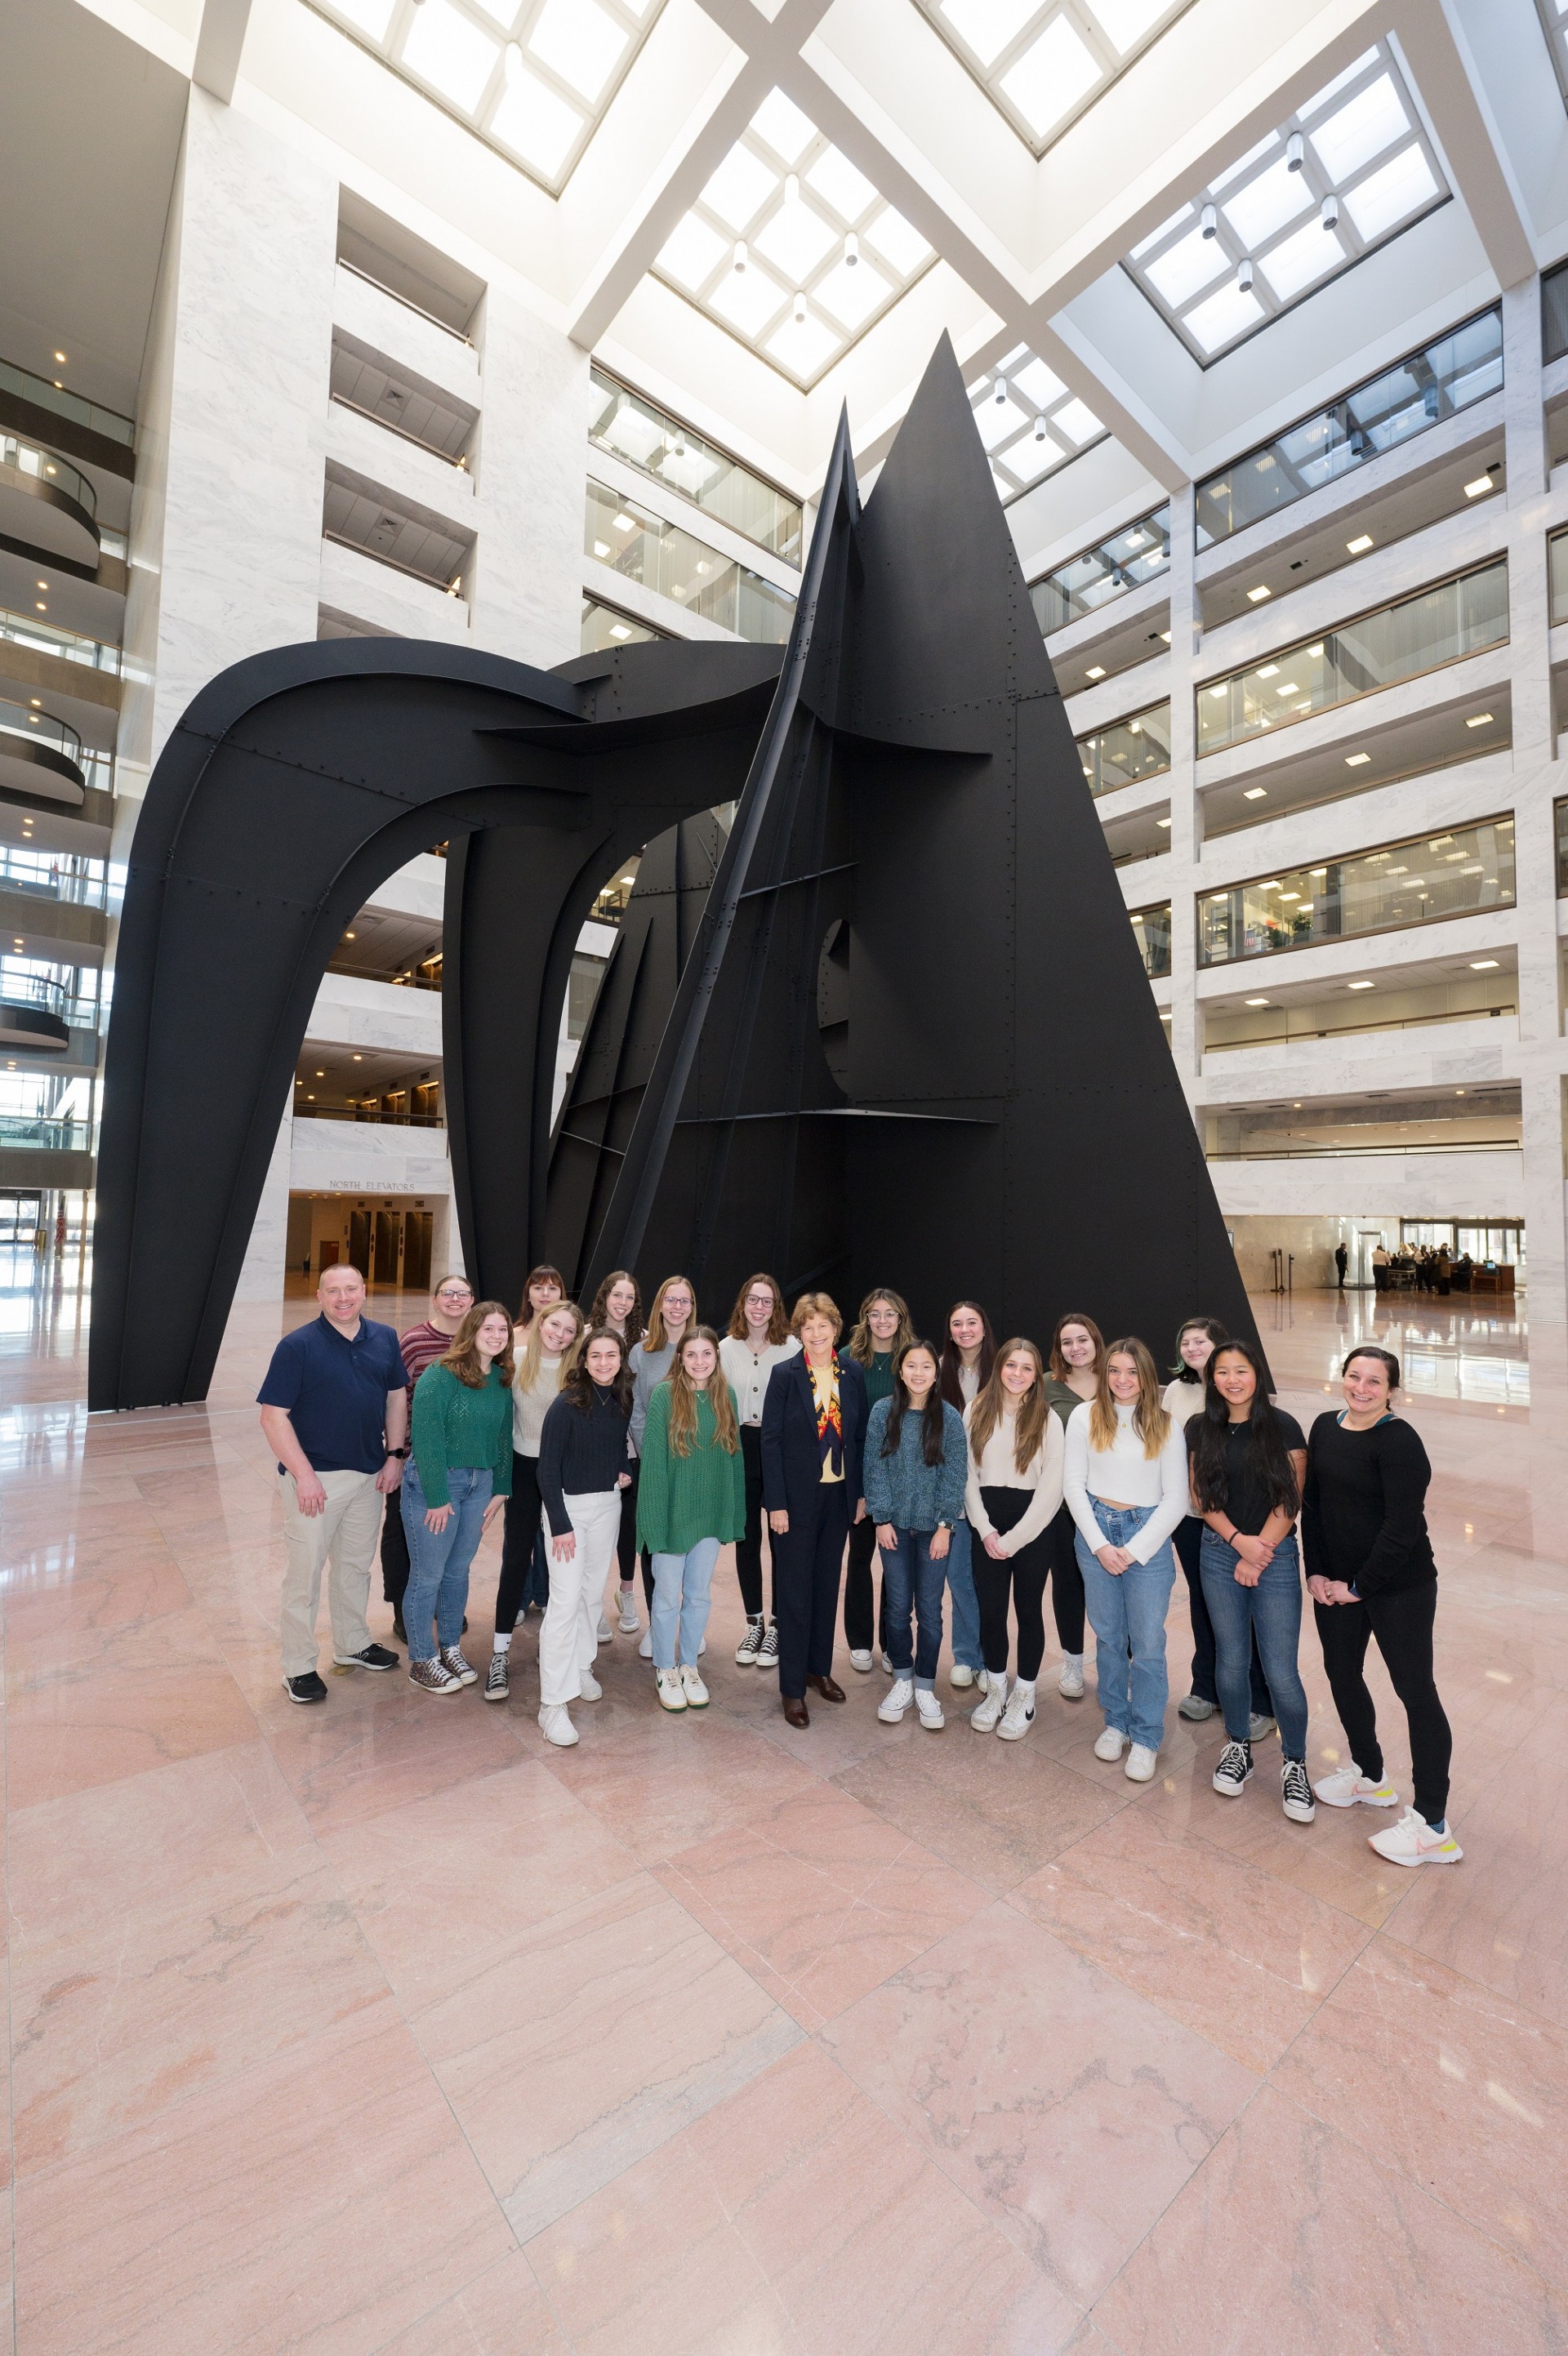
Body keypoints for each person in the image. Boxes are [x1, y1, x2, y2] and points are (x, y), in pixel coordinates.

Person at [1304, 1347, 1461, 1865]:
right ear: (1342, 1378)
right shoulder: (1325, 1427)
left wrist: (1360, 1585)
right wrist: (1318, 1571)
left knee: (1416, 1692)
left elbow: (1402, 1529)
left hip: (1399, 1586)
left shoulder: (1400, 1442)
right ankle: (1370, 1776)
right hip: (1339, 1584)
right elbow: (1315, 1506)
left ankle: (1433, 1826)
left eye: (1375, 1381)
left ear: (1393, 1390)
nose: (1362, 1388)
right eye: (1354, 1376)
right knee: (1342, 1674)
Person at [259, 1263, 406, 1704]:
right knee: (304, 1577)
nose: (344, 1298)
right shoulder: (297, 1346)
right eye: (334, 1291)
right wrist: (304, 1476)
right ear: (320, 1296)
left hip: (369, 1476)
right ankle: (299, 1667)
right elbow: (273, 1416)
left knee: (354, 1567)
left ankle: (353, 1643)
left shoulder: (383, 1337)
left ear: (365, 1291)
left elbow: (396, 1395)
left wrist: (394, 1455)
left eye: (352, 1289)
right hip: (317, 1480)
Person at [1187, 1341, 1314, 1824]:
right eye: (1223, 1372)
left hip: (1275, 1556)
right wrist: (1239, 1543)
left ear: (1257, 1374)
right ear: (1212, 1378)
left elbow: (1290, 1499)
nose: (1232, 1380)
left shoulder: (1282, 1426)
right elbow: (1204, 1498)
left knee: (1281, 1670)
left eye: (1241, 1371)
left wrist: (1258, 1554)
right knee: (1231, 1659)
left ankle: (1295, 1763)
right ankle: (1237, 1745)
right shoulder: (1201, 1428)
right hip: (1220, 1553)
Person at [1064, 1338, 1187, 1781]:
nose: (1122, 1379)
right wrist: (1100, 1545)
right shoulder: (1084, 1416)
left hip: (1146, 1541)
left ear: (1146, 1376)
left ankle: (1148, 1734)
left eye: (1132, 1371)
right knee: (1110, 1637)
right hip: (1095, 1533)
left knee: (1148, 1645)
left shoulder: (1167, 1425)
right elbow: (1073, 1486)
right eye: (1114, 1370)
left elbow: (1175, 1500)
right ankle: (1116, 1720)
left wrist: (1133, 1552)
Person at [1165, 1319, 1276, 1739]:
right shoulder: (1177, 1392)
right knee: (1205, 1604)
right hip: (1191, 1518)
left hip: (1239, 1522)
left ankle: (1259, 1698)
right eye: (1186, 1341)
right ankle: (1207, 1687)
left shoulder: (1239, 1393)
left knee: (1248, 1610)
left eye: (1201, 1341)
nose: (1193, 1347)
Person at [761, 1292, 867, 1728]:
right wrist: (777, 1503)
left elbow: (857, 1439)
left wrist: (859, 1495)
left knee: (827, 1585)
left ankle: (817, 1668)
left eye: (824, 1325)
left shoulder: (853, 1373)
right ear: (798, 1332)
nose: (817, 1333)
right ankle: (791, 1689)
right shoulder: (785, 1375)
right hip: (797, 1502)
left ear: (835, 1329)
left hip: (838, 1497)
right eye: (808, 1327)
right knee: (794, 1591)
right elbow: (770, 1441)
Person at [402, 1302, 514, 1693]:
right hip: (437, 1484)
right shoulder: (441, 1375)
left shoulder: (501, 1377)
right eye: (489, 1328)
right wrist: (436, 1496)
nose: (497, 1335)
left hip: (479, 1485)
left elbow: (503, 1437)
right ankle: (421, 1659)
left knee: (457, 1571)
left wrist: (502, 1488)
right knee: (428, 1574)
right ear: (471, 1330)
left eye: (503, 1330)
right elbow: (426, 1438)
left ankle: (449, 1647)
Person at [636, 1324, 746, 1712]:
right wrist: (652, 1520)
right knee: (666, 1596)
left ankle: (689, 1665)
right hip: (671, 1516)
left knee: (698, 1595)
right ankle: (665, 1668)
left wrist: (732, 1515)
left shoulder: (726, 1395)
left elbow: (733, 1458)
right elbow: (653, 1465)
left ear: (717, 1359)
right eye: (692, 1354)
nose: (700, 1362)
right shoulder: (665, 1395)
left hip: (710, 1517)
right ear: (679, 1358)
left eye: (707, 1354)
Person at [964, 1338, 1066, 1741]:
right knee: (990, 1612)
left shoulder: (1047, 1418)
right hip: (986, 1524)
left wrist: (1017, 1538)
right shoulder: (976, 1410)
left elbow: (1052, 1488)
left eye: (1027, 1367)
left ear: (1035, 1374)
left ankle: (1024, 1692)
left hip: (1033, 1528)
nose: (1018, 1374)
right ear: (999, 1368)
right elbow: (967, 1476)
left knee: (1027, 1610)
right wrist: (986, 1530)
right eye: (1011, 1366)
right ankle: (995, 1688)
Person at [537, 1327, 634, 1748]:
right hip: (569, 1511)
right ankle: (552, 1705)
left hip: (607, 1505)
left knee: (592, 1595)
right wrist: (559, 1523)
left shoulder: (619, 1399)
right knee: (563, 1601)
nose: (603, 1363)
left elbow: (612, 1442)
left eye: (611, 1355)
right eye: (595, 1356)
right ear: (584, 1360)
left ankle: (581, 1666)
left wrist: (620, 1467)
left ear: (620, 1360)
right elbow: (547, 1468)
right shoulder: (565, 1404)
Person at [863, 1338, 966, 1730]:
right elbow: (873, 1467)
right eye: (911, 1366)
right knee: (896, 1607)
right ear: (900, 1371)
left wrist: (944, 1525)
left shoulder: (950, 1418)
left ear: (935, 1373)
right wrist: (882, 1518)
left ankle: (925, 1685)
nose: (918, 1373)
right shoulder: (882, 1412)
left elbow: (955, 1475)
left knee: (930, 1611)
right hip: (893, 1529)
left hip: (933, 1532)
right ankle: (902, 1679)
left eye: (926, 1366)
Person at [486, 1298, 585, 1702]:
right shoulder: (516, 1360)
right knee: (516, 1558)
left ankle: (561, 1647)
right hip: (524, 1471)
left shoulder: (577, 1372)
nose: (559, 1334)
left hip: (564, 1475)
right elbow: (501, 1421)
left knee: (564, 1561)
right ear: (541, 1322)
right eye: (554, 1325)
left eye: (568, 1331)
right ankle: (498, 1654)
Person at [379, 1273, 474, 1644]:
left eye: (462, 1294)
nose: (455, 1299)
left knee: (450, 1536)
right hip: (416, 1456)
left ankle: (443, 1605)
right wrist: (397, 1453)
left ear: (471, 1300)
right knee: (404, 1535)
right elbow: (396, 1397)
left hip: (462, 1461)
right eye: (447, 1293)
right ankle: (403, 1611)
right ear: (435, 1300)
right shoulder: (414, 1341)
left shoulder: (478, 1339)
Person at [718, 1272, 800, 1668]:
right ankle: (755, 1624)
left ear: (776, 1307)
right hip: (740, 1448)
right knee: (747, 1540)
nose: (759, 1307)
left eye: (767, 1301)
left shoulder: (793, 1349)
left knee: (782, 1538)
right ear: (742, 1303)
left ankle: (780, 1626)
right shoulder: (725, 1348)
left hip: (780, 1450)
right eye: (753, 1299)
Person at [840, 1288, 914, 1673]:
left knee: (896, 1564)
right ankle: (858, 1640)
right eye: (875, 1313)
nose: (882, 1320)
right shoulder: (848, 1358)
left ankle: (892, 1641)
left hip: (901, 1475)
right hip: (859, 1476)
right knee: (860, 1558)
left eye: (890, 1314)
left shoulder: (912, 1359)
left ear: (901, 1318)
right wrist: (859, 1488)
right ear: (865, 1318)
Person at [627, 1275, 697, 1655]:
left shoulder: (703, 1347)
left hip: (694, 1465)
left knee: (691, 1541)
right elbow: (636, 1410)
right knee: (655, 1542)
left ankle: (688, 1623)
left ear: (692, 1307)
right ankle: (658, 1624)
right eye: (670, 1299)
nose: (677, 1307)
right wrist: (652, 1454)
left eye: (684, 1301)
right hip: (653, 1463)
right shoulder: (641, 1351)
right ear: (659, 1305)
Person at [1040, 1312, 1102, 1701]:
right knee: (1068, 1584)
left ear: (1096, 1340)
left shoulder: (1118, 1379)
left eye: (1082, 1339)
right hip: (1062, 1506)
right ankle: (1073, 1661)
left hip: (1114, 1505)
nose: (1075, 1348)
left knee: (1116, 1587)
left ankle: (1123, 1660)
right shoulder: (1047, 1386)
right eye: (1067, 1342)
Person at [937, 1300, 994, 1691]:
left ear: (984, 1327)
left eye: (971, 1322)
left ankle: (992, 1658)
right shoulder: (939, 1368)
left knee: (989, 1579)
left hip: (994, 1486)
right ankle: (966, 1655)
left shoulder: (1004, 1365)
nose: (964, 1329)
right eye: (957, 1323)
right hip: (954, 1486)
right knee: (958, 1578)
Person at [589, 1269, 645, 1633]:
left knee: (628, 1523)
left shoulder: (643, 1341)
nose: (622, 1303)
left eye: (629, 1297)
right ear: (604, 1296)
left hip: (631, 1444)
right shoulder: (584, 1335)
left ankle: (626, 1591)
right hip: (593, 1444)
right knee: (595, 1526)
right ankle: (591, 1603)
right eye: (617, 1295)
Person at [517, 1265, 566, 1329]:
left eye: (552, 1288)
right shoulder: (513, 1335)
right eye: (538, 1288)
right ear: (528, 1295)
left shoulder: (572, 1335)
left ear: (561, 1295)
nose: (545, 1293)